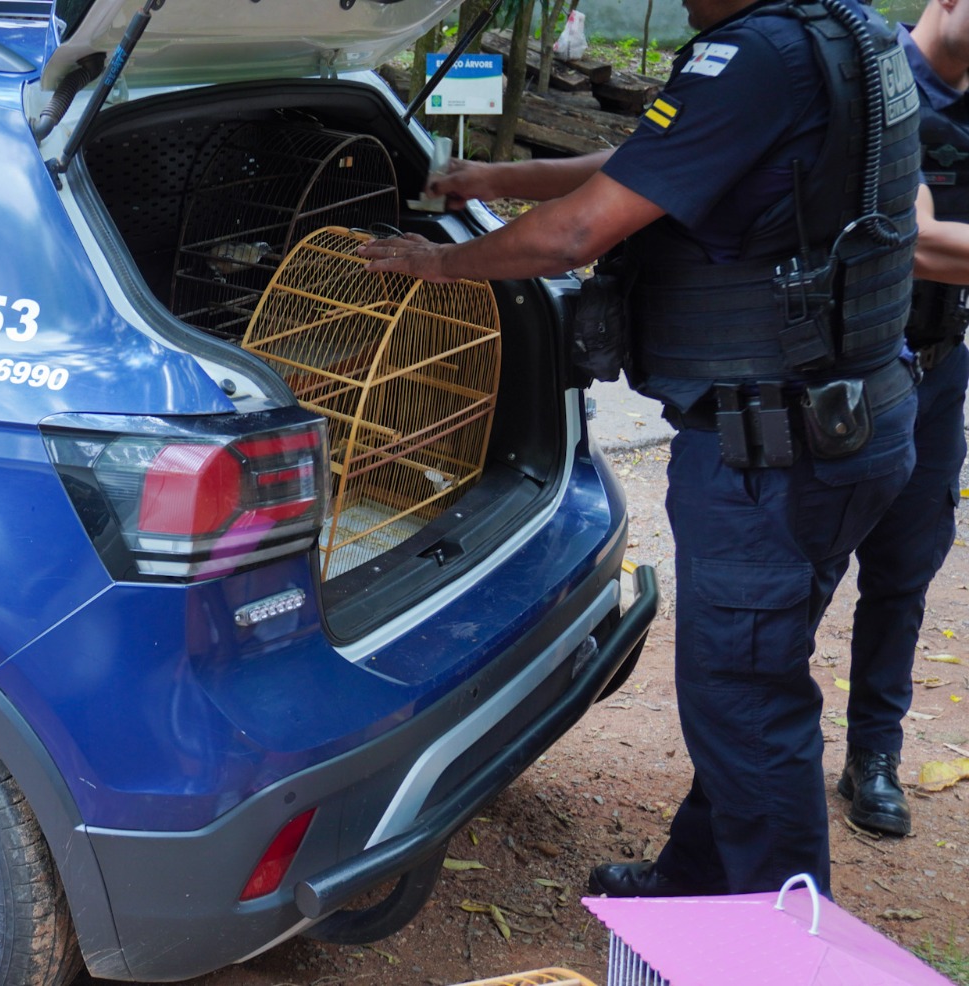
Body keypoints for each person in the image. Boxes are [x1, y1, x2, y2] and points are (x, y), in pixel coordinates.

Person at [358, 0, 920, 897]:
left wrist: (434, 264)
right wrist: (497, 177)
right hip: (848, 423)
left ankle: (769, 942)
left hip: (769, 449)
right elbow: (656, 159)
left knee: (745, 700)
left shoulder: (753, 58)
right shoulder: (842, 30)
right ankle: (694, 885)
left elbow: (577, 234)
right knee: (748, 685)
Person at [831, 0, 969, 839]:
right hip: (850, 374)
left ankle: (873, 754)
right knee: (799, 574)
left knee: (905, 571)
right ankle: (750, 766)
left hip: (942, 366)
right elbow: (912, 243)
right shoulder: (873, 74)